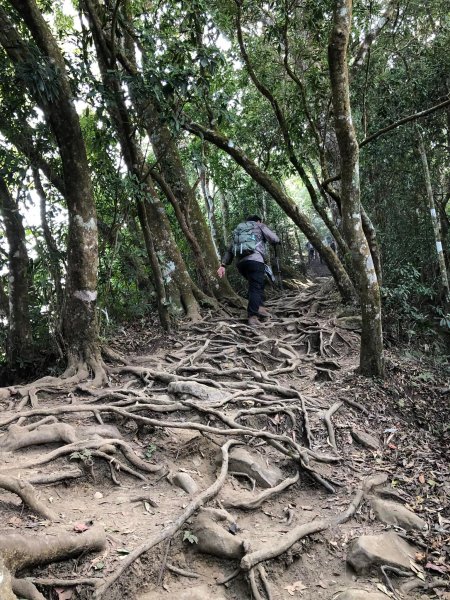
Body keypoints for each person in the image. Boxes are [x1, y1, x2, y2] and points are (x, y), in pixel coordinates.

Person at [217, 215, 280, 327]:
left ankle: (260, 307)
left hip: (241, 264)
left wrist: (223, 265)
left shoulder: (239, 230)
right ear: (258, 220)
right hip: (255, 261)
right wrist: (276, 242)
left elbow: (230, 250)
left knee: (256, 285)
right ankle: (252, 317)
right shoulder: (259, 225)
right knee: (256, 287)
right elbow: (274, 239)